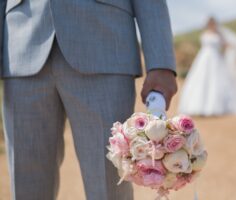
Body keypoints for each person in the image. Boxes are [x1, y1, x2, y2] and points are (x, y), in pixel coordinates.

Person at [0, 1, 177, 200]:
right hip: (19, 49)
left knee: (110, 184)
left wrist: (161, 62)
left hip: (105, 46)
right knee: (26, 187)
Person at [178, 17, 236, 116]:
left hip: (216, 58)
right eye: (210, 23)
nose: (211, 25)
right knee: (201, 80)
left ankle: (216, 107)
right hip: (203, 58)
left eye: (213, 23)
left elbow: (226, 45)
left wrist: (231, 52)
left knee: (217, 81)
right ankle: (197, 107)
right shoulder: (205, 33)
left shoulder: (219, 34)